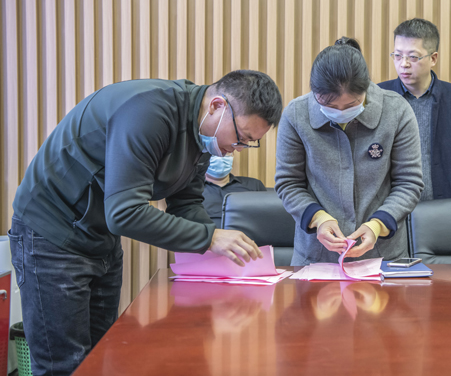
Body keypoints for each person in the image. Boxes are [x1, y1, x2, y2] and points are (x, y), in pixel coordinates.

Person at [8, 71, 283, 376]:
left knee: (100, 358)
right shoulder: (148, 112)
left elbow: (186, 203)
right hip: (51, 232)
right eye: (241, 137)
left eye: (250, 143)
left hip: (99, 235)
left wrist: (219, 250)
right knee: (64, 365)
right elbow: (124, 213)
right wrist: (210, 238)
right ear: (217, 105)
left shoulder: (202, 135)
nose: (238, 148)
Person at [275, 42, 424, 265]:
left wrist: (377, 225)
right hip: (316, 256)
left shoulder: (396, 110)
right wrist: (319, 218)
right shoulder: (296, 114)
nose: (340, 112)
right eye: (330, 106)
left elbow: (409, 183)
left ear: (366, 89)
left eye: (352, 104)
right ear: (315, 93)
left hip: (383, 255)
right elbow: (288, 183)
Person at [378, 18, 451, 200]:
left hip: (443, 206)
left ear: (433, 58)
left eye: (413, 57)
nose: (404, 64)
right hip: (391, 206)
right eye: (398, 55)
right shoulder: (379, 96)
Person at [202, 154, 267, 227]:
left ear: (232, 155)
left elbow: (266, 218)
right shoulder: (194, 189)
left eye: (225, 154)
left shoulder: (254, 185)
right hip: (209, 233)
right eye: (214, 154)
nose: (220, 157)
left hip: (246, 232)